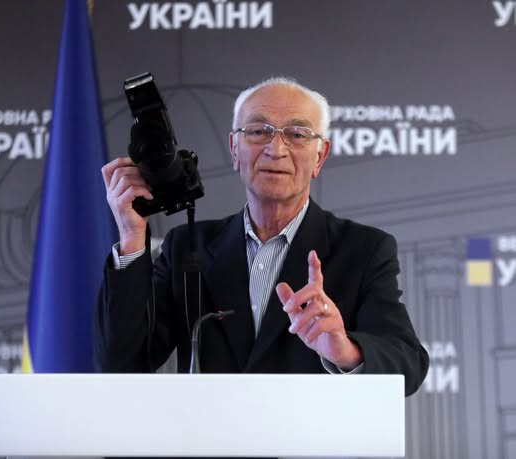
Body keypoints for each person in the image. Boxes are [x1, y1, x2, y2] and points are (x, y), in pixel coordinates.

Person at [95, 76, 429, 396]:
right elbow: (121, 366)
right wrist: (131, 237)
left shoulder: (363, 250)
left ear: (320, 156)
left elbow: (408, 365)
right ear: (234, 149)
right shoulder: (186, 247)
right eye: (258, 131)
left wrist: (345, 350)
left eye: (297, 134)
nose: (276, 148)